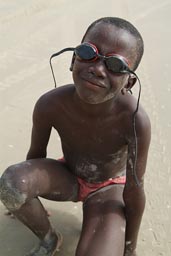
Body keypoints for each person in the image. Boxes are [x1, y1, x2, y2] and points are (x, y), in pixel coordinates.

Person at [0, 17, 151, 256]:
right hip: (68, 175)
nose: (98, 69)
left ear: (128, 81)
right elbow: (35, 157)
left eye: (115, 65)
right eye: (88, 52)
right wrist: (26, 195)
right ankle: (49, 239)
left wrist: (129, 248)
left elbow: (134, 188)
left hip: (107, 190)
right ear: (73, 60)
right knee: (11, 185)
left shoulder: (134, 119)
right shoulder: (50, 104)